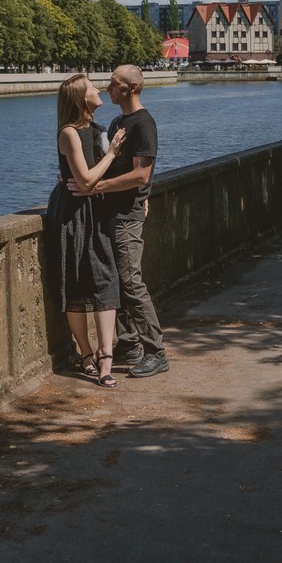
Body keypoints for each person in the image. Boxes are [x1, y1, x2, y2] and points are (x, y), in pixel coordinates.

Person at [72, 64, 168, 378]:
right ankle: (129, 342)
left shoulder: (144, 124)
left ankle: (156, 350)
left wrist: (99, 187)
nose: (109, 88)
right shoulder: (117, 122)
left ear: (131, 87)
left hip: (127, 216)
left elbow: (142, 174)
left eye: (114, 84)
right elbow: (114, 167)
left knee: (130, 282)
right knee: (115, 281)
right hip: (113, 213)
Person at [50, 74, 127, 388]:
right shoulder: (69, 133)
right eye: (93, 89)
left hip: (96, 210)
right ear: (81, 99)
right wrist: (112, 153)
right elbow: (84, 181)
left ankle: (106, 355)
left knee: (106, 280)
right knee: (77, 284)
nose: (98, 91)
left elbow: (106, 175)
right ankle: (86, 354)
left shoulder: (98, 130)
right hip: (73, 214)